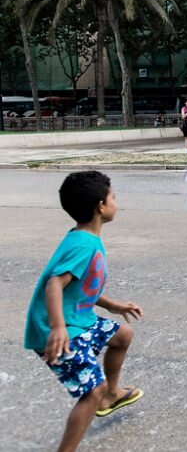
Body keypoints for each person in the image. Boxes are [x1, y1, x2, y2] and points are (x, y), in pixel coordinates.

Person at [23, 171, 143, 452]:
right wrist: (57, 327)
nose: (116, 201)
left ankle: (112, 395)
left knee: (122, 334)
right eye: (113, 196)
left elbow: (81, 286)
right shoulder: (84, 244)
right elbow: (55, 284)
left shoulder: (85, 237)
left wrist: (112, 305)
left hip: (78, 320)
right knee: (91, 391)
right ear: (101, 206)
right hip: (58, 330)